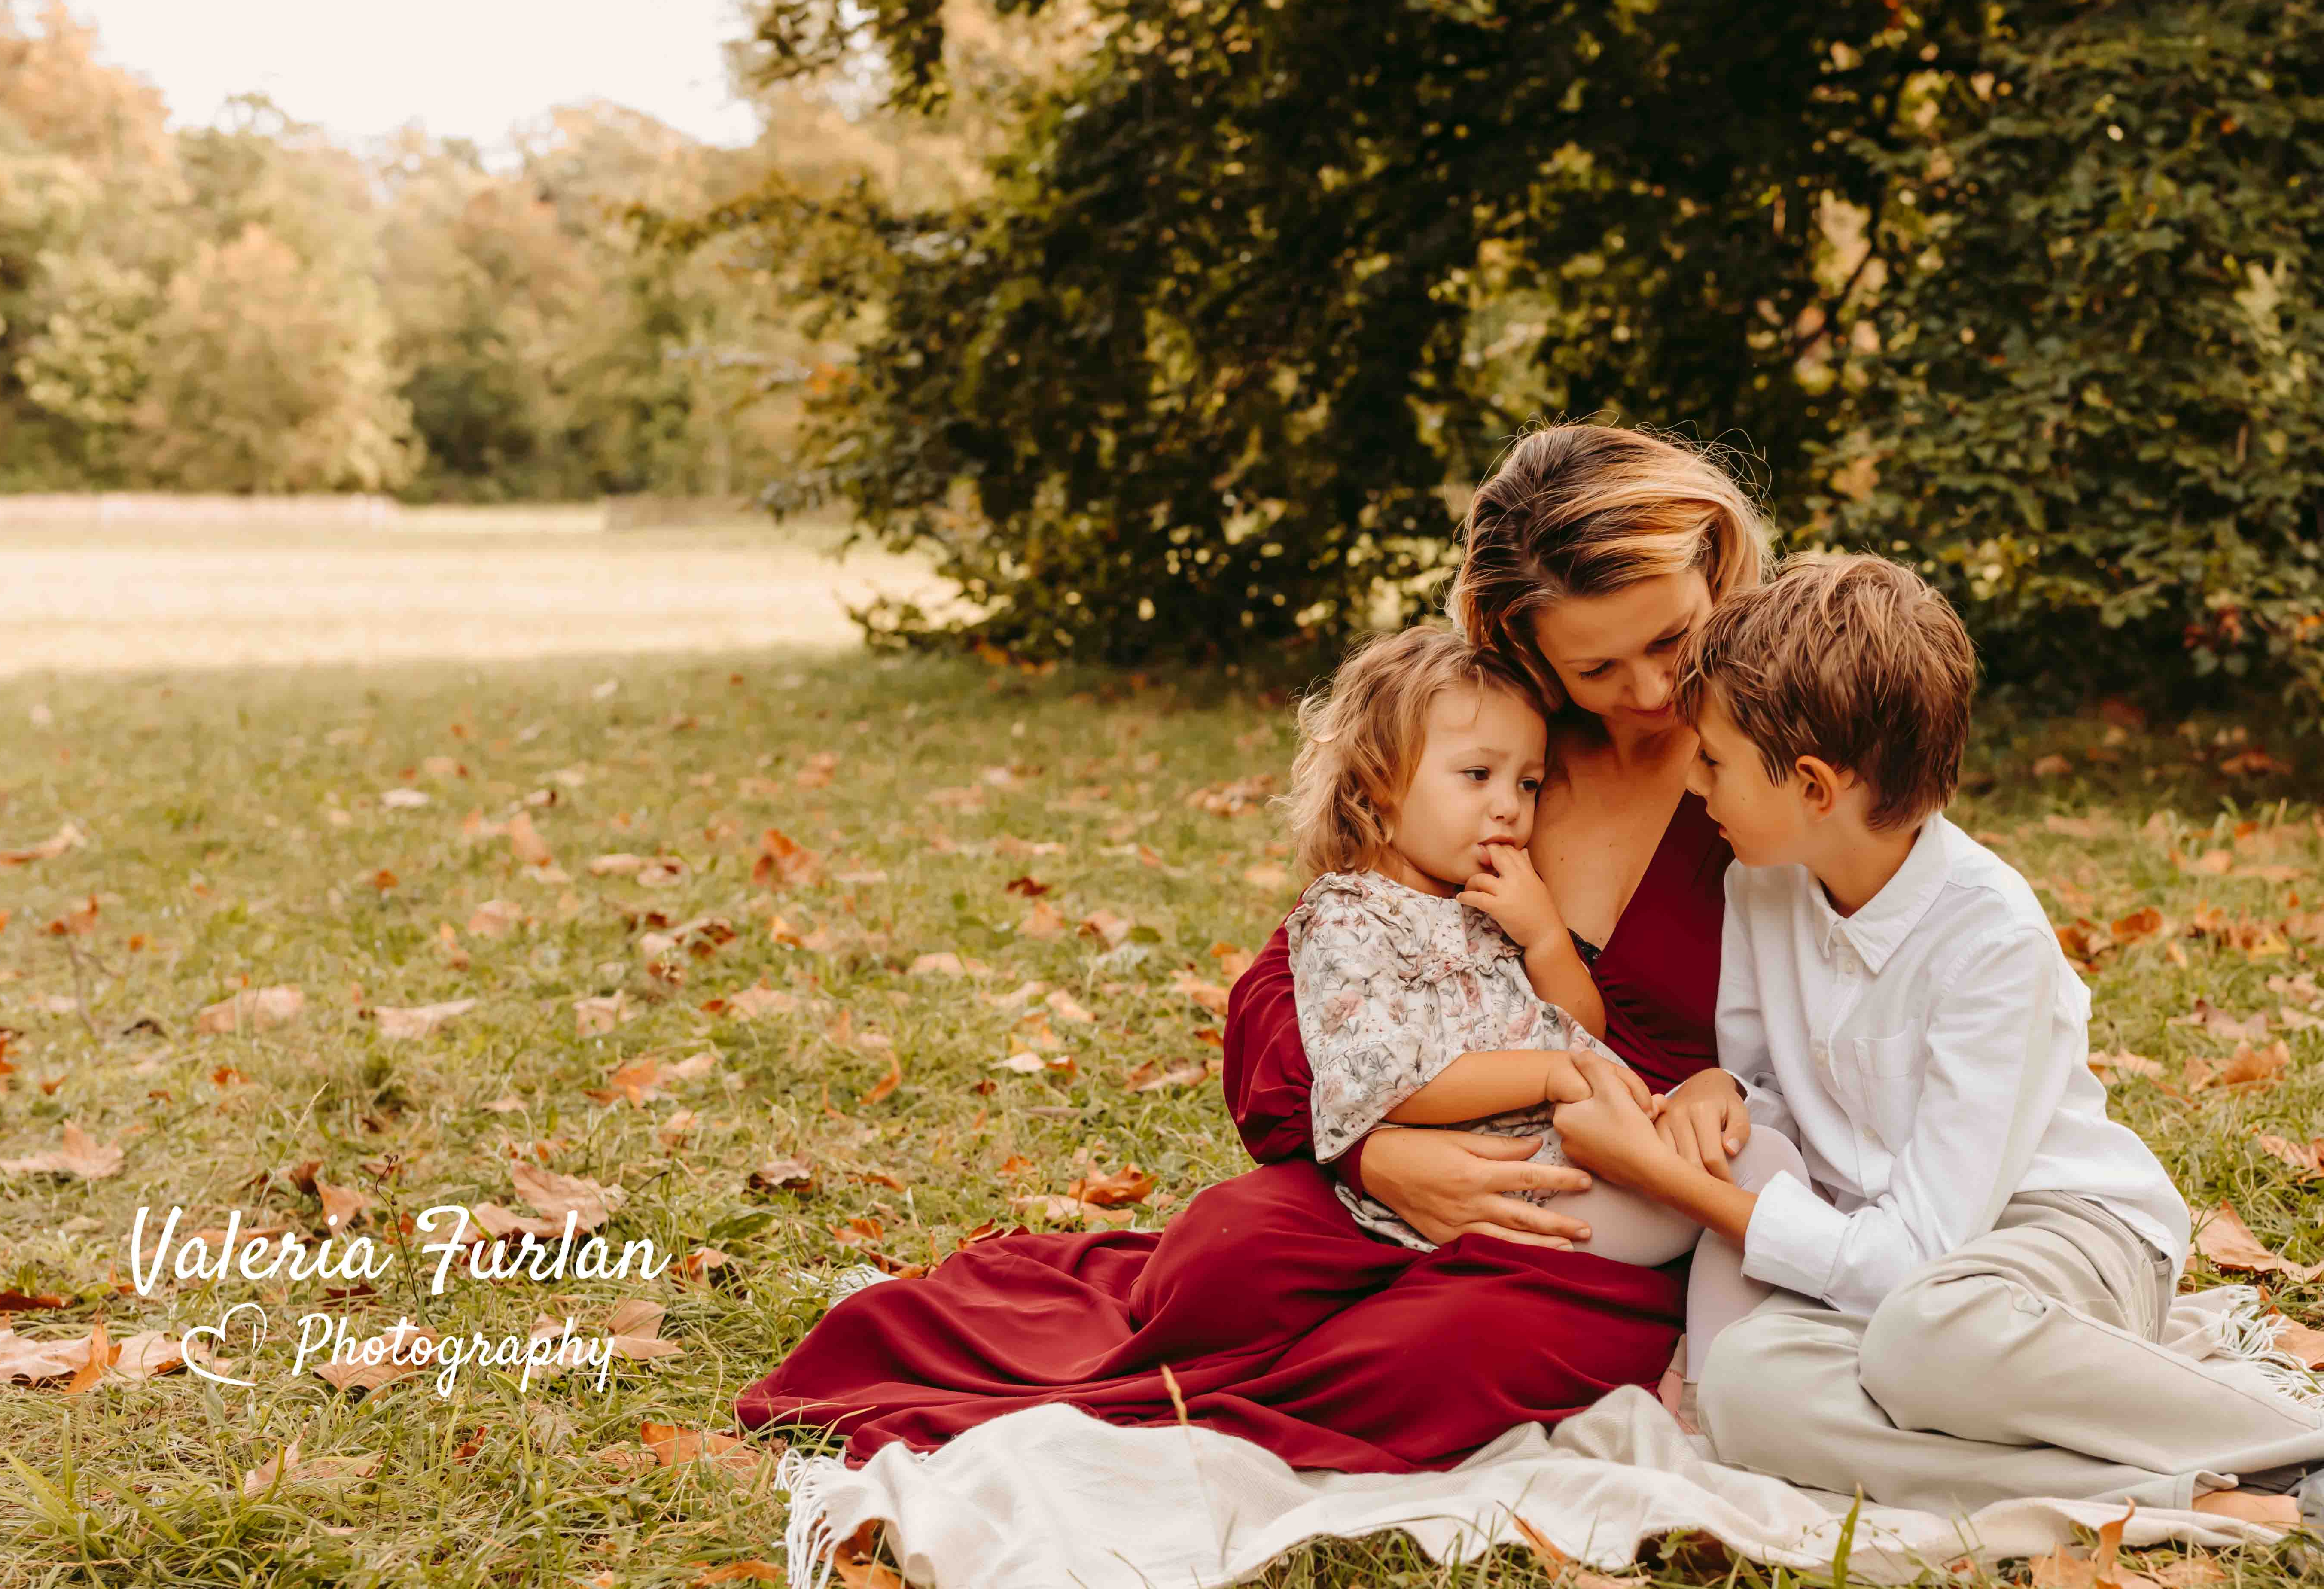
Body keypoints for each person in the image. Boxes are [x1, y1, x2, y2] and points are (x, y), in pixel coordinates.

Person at [1536, 555, 2324, 1575]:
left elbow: (1924, 1253)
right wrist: (1724, 1089)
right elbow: (1773, 1083)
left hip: (2056, 1240)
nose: (1695, 789)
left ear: (1814, 786)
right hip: (1888, 1269)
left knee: (1922, 1337)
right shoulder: (1758, 883)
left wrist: (1677, 1182)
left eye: (1715, 762)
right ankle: (2256, 1493)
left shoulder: (1990, 934)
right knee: (1748, 1389)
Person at [733, 421, 1769, 1473]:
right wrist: (1377, 1149)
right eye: (1596, 666)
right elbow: (1291, 994)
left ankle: (1190, 1429)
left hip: (1616, 1206)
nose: (1649, 692)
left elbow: (1859, 1021)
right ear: (1527, 648)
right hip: (1422, 1146)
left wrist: (1718, 1088)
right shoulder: (1499, 754)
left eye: (1672, 640)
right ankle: (1152, 1373)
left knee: (1434, 1358)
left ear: (1717, 569)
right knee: (1225, 1251)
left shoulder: (1775, 764)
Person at [1277, 622, 1704, 1265]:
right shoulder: (1349, 921)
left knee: (1737, 1169)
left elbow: (1584, 1031)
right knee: (1705, 1213)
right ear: (1378, 783)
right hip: (1491, 1184)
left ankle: (1697, 1343)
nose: (1509, 806)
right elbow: (1384, 1086)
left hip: (1574, 1146)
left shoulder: (1489, 900)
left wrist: (1545, 939)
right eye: (1478, 775)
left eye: (1528, 783)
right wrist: (1552, 1076)